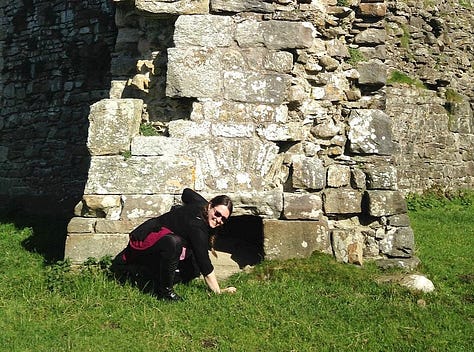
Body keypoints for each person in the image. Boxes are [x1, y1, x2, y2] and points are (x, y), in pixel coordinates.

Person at [119, 188, 237, 301]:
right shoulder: (197, 227)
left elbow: (187, 192)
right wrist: (218, 291)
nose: (219, 220)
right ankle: (164, 291)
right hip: (144, 242)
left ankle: (152, 275)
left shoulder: (202, 205)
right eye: (217, 214)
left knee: (193, 271)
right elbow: (204, 262)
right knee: (174, 243)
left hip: (160, 240)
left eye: (223, 219)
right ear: (210, 206)